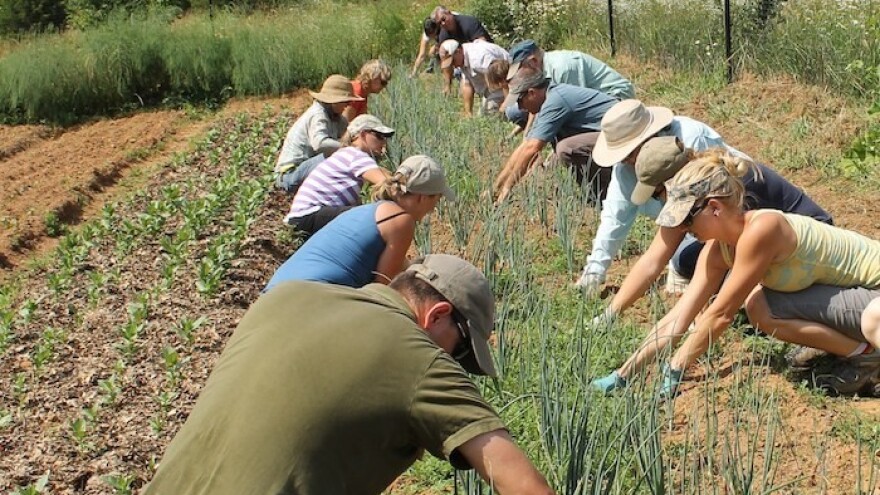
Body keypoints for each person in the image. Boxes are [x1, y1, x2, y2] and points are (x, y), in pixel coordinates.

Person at [143, 254, 556, 495]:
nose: (455, 361)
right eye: (462, 350)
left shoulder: (287, 296)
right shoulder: (421, 359)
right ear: (438, 315)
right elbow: (523, 485)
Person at [591, 150, 880, 397]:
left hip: (875, 289)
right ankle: (862, 355)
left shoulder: (762, 230)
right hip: (849, 292)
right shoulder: (719, 250)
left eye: (687, 219)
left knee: (872, 318)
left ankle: (868, 358)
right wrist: (624, 373)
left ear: (713, 207)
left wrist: (675, 369)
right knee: (760, 308)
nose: (683, 229)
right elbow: (679, 316)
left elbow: (720, 315)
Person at [588, 136, 831, 326]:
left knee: (752, 300)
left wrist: (705, 315)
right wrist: (610, 314)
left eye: (657, 194)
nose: (660, 202)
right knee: (684, 260)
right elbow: (654, 258)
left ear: (671, 183)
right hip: (762, 245)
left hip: (805, 246)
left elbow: (751, 245)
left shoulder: (728, 186)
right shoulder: (693, 190)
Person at [575, 99, 749, 291]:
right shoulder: (625, 169)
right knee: (682, 259)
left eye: (631, 153)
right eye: (624, 157)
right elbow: (615, 218)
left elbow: (725, 205)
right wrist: (594, 271)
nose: (629, 162)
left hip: (735, 214)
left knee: (685, 260)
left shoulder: (691, 139)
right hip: (691, 223)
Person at [265, 155, 454, 290]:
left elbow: (398, 265)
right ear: (423, 198)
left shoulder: (370, 212)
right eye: (436, 200)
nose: (434, 209)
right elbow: (384, 289)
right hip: (309, 296)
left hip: (279, 290)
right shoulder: (401, 221)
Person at [493, 67, 617, 204]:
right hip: (605, 134)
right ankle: (599, 192)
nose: (521, 108)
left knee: (566, 148)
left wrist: (508, 188)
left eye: (519, 101)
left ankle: (606, 193)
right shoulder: (546, 102)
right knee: (562, 142)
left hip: (621, 134)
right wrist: (497, 187)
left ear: (531, 93)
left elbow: (533, 149)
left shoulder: (556, 101)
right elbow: (525, 146)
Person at [283, 114, 395, 235]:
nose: (383, 142)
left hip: (303, 217)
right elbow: (388, 183)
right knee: (376, 216)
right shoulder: (357, 156)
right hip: (308, 215)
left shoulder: (346, 154)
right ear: (362, 134)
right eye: (379, 136)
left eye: (385, 138)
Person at [503, 39, 635, 131]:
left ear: (533, 61)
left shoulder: (561, 69)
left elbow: (577, 105)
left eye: (520, 68)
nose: (519, 74)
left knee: (565, 129)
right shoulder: (544, 70)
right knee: (517, 111)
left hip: (617, 98)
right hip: (598, 100)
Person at [275, 75, 363, 193]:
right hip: (290, 175)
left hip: (304, 171)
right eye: (346, 101)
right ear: (334, 101)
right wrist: (348, 148)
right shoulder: (318, 114)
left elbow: (350, 133)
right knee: (333, 156)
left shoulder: (337, 118)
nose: (348, 105)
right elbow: (320, 143)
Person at [431, 6, 493, 95]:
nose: (443, 24)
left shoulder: (469, 23)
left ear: (449, 12)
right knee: (461, 81)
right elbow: (445, 62)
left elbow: (484, 48)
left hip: (484, 60)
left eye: (443, 19)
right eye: (440, 23)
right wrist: (447, 85)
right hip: (463, 64)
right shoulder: (443, 36)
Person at [438, 39, 509, 116]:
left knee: (490, 113)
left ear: (458, 51)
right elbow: (467, 85)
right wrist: (468, 112)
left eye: (453, 61)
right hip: (493, 87)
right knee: (482, 115)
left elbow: (502, 77)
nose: (453, 66)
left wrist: (506, 103)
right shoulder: (462, 58)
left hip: (508, 82)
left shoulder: (478, 58)